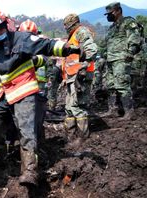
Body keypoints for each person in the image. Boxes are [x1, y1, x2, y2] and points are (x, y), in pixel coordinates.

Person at [0, 10, 81, 187]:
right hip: (6, 92)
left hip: (24, 89)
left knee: (26, 128)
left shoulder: (21, 39)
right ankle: (2, 156)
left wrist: (67, 48)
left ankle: (29, 170)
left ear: (6, 26)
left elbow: (45, 45)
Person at [62, 13, 97, 146]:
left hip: (80, 75)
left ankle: (82, 137)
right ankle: (70, 135)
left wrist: (83, 68)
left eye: (66, 25)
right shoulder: (72, 36)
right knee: (69, 107)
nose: (65, 28)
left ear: (72, 24)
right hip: (72, 76)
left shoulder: (81, 32)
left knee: (78, 106)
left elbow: (91, 49)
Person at [103, 2, 142, 120]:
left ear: (118, 11)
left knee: (122, 85)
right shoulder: (111, 27)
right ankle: (113, 110)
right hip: (110, 59)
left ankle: (129, 112)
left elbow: (134, 38)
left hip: (122, 59)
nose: (108, 16)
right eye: (107, 14)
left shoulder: (128, 22)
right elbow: (106, 44)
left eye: (111, 13)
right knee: (110, 85)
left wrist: (131, 52)